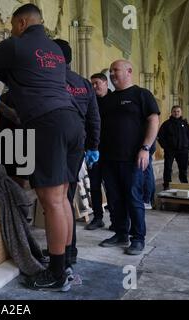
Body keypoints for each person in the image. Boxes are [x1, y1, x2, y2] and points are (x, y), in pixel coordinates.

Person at [0, 4, 84, 291]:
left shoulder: (17, 44)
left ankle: (55, 273)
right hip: (71, 121)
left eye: (15, 24)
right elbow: (24, 76)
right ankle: (63, 263)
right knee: (62, 197)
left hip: (47, 123)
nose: (13, 28)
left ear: (23, 22)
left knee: (51, 200)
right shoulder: (53, 50)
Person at [99, 60, 160, 255]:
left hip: (133, 159)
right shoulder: (108, 99)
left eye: (115, 70)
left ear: (129, 71)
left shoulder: (142, 95)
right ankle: (120, 233)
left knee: (133, 198)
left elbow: (153, 120)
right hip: (108, 159)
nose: (112, 74)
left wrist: (145, 148)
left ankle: (138, 238)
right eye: (110, 71)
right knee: (115, 199)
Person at [53, 39, 101, 271]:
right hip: (79, 145)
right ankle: (68, 251)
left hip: (57, 141)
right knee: (67, 196)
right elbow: (94, 118)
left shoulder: (50, 78)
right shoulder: (84, 83)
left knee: (56, 200)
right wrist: (93, 146)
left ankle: (61, 254)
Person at [85, 73, 112, 230]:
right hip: (93, 151)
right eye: (92, 84)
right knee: (94, 186)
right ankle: (98, 217)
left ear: (105, 83)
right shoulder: (90, 100)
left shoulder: (114, 100)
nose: (94, 87)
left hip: (110, 152)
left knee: (111, 186)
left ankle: (116, 219)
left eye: (97, 83)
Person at [157, 105, 189, 190]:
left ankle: (184, 184)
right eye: (174, 111)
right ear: (171, 112)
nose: (176, 113)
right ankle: (166, 185)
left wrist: (188, 146)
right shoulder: (166, 124)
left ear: (181, 112)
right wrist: (165, 146)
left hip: (183, 150)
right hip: (170, 150)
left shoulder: (185, 124)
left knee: (183, 168)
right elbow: (160, 136)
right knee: (168, 168)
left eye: (178, 111)